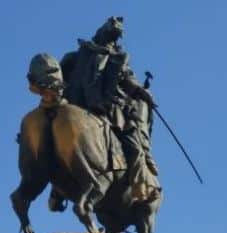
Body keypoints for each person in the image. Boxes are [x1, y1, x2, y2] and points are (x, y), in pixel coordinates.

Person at [60, 16, 160, 206]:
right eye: (111, 36)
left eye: (113, 37)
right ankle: (140, 187)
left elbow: (58, 80)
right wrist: (142, 93)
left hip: (74, 105)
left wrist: (140, 91)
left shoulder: (75, 56)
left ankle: (56, 194)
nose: (111, 40)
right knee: (135, 147)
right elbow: (128, 82)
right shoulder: (115, 58)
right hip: (107, 110)